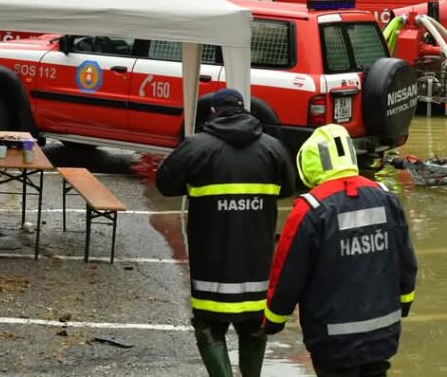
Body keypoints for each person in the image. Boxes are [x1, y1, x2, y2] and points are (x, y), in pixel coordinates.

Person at [156, 88, 295, 377]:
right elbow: (288, 188)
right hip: (256, 264)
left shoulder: (196, 147)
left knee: (209, 326)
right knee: (254, 326)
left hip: (212, 265)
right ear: (245, 111)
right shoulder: (273, 148)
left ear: (213, 112)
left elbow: (165, 183)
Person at [264, 124, 418, 377]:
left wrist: (273, 320)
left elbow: (287, 274)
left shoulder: (310, 209)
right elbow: (406, 262)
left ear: (309, 164)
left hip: (332, 341)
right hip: (383, 335)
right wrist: (404, 304)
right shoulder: (385, 197)